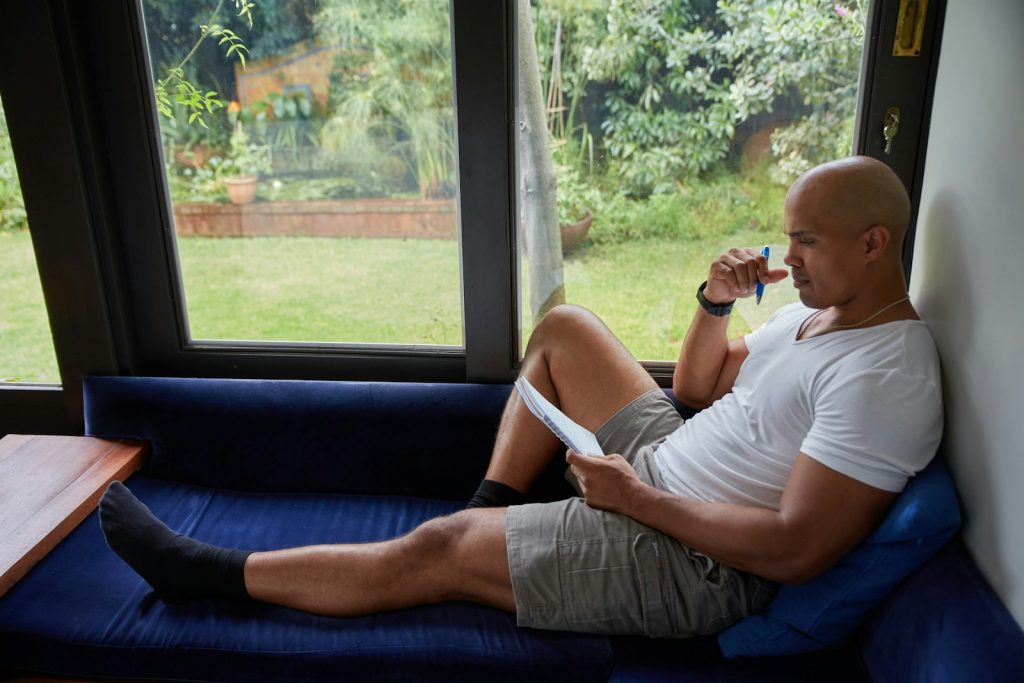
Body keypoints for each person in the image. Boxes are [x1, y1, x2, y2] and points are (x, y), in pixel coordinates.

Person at [99, 155, 942, 638]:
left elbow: (797, 551)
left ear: (874, 244)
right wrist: (714, 303)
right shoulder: (814, 314)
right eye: (787, 239)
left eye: (805, 243)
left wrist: (635, 499)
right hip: (661, 467)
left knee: (434, 546)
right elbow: (694, 387)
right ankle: (492, 509)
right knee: (566, 328)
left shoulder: (888, 375)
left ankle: (205, 573)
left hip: (696, 559)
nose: (786, 259)